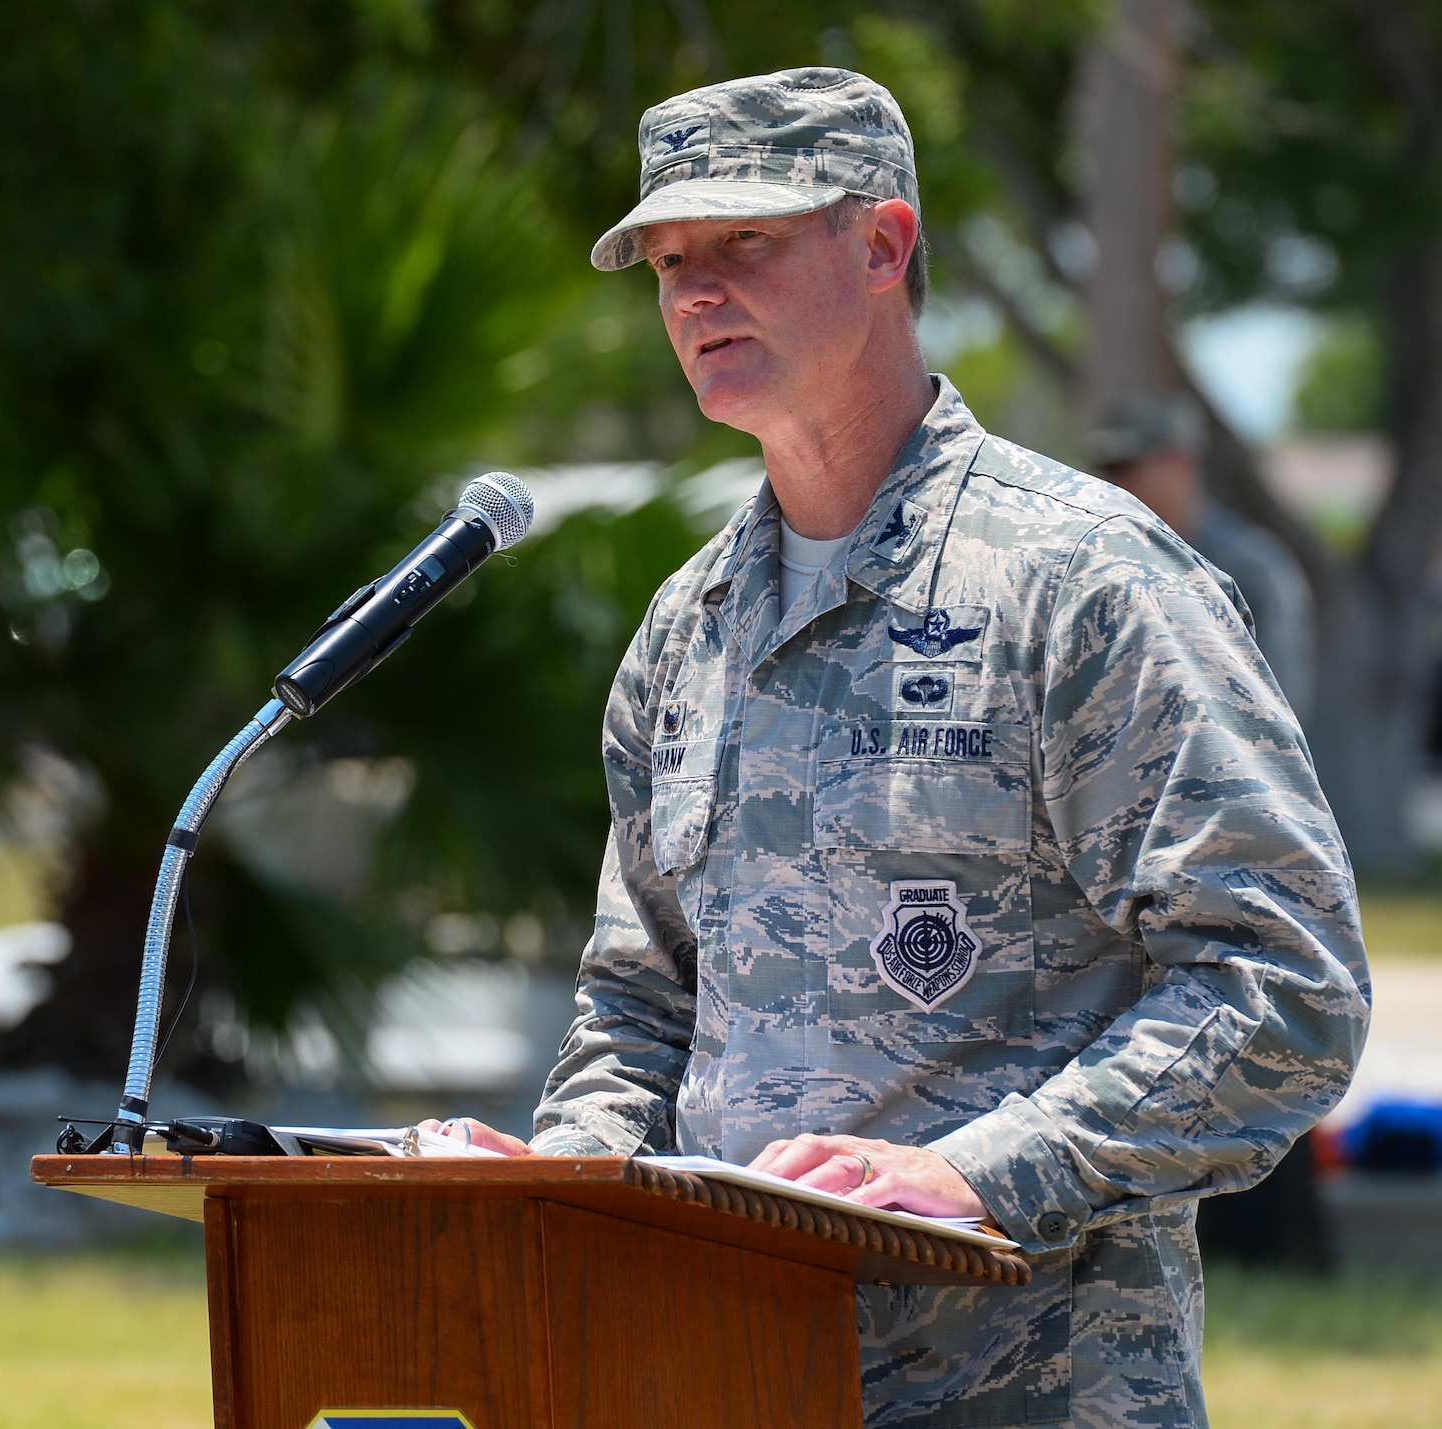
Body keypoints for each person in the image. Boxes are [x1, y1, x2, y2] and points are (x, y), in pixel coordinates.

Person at [427, 68, 1369, 1428]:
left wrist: (985, 1173)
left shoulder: (1080, 584)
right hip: (723, 1378)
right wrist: (559, 1175)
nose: (694, 291)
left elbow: (1285, 982)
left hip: (1030, 1390)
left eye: (744, 241)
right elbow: (643, 1003)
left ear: (883, 246)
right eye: (669, 260)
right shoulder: (687, 629)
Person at [1087, 394, 1317, 723]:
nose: (1111, 483)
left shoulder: (1248, 568)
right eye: (1106, 470)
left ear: (1179, 462)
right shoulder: (1102, 563)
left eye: (1127, 467)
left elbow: (1279, 706)